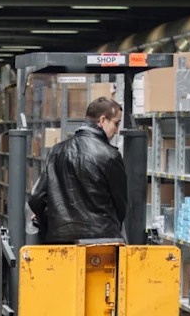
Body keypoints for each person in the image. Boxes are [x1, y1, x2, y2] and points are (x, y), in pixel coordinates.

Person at [26, 96, 128, 244]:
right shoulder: (110, 156)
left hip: (59, 239)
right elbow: (121, 205)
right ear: (102, 120)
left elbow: (37, 197)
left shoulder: (56, 151)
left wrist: (47, 219)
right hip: (101, 241)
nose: (117, 130)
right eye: (116, 123)